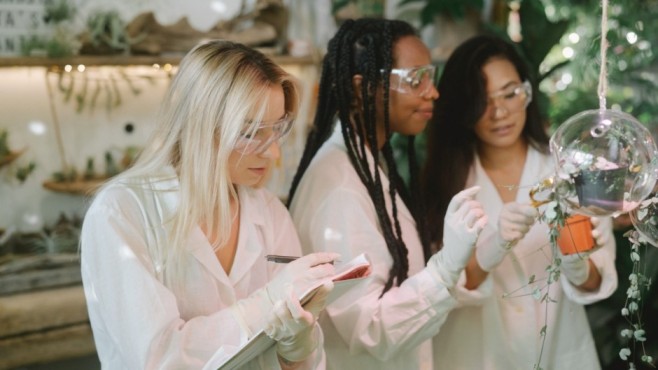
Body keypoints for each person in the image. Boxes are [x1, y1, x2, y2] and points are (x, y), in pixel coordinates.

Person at [80, 40, 339, 370]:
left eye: (276, 131)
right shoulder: (122, 213)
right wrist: (266, 303)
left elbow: (304, 362)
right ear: (201, 126)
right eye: (251, 133)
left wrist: (298, 349)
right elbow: (159, 358)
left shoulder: (269, 212)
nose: (273, 154)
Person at [286, 18, 488, 370]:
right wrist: (444, 269)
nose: (432, 92)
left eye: (431, 75)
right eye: (415, 79)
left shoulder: (367, 163)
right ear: (362, 88)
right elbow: (371, 329)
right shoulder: (340, 189)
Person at [422, 34, 618, 370]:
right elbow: (443, 288)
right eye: (482, 99)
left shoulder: (568, 170)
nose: (499, 112)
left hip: (559, 351)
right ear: (463, 107)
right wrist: (492, 247)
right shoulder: (445, 181)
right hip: (475, 354)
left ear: (527, 92)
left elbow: (598, 282)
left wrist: (575, 262)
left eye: (510, 93)